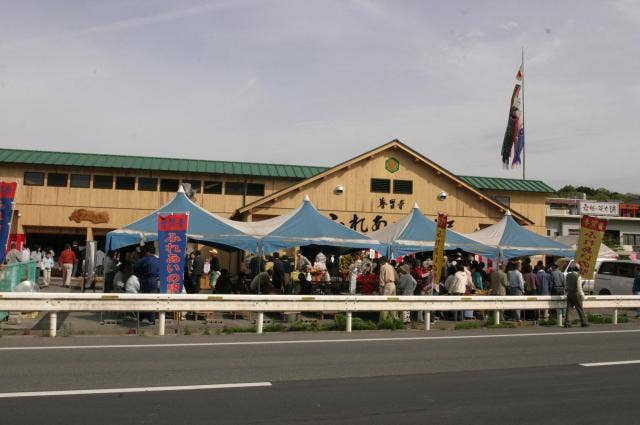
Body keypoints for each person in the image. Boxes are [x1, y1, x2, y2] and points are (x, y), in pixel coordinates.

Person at [133, 245, 160, 323]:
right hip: (156, 281)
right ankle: (150, 319)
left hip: (145, 281)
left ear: (147, 252)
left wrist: (140, 275)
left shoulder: (144, 260)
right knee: (153, 299)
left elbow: (135, 268)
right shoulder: (159, 260)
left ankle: (146, 318)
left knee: (144, 299)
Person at [378, 256, 397, 321]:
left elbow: (381, 279)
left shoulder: (383, 267)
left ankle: (384, 319)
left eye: (380, 261)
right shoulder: (391, 266)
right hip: (393, 285)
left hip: (387, 285)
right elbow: (396, 277)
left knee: (385, 302)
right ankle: (395, 318)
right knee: (393, 302)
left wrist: (381, 288)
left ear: (382, 261)